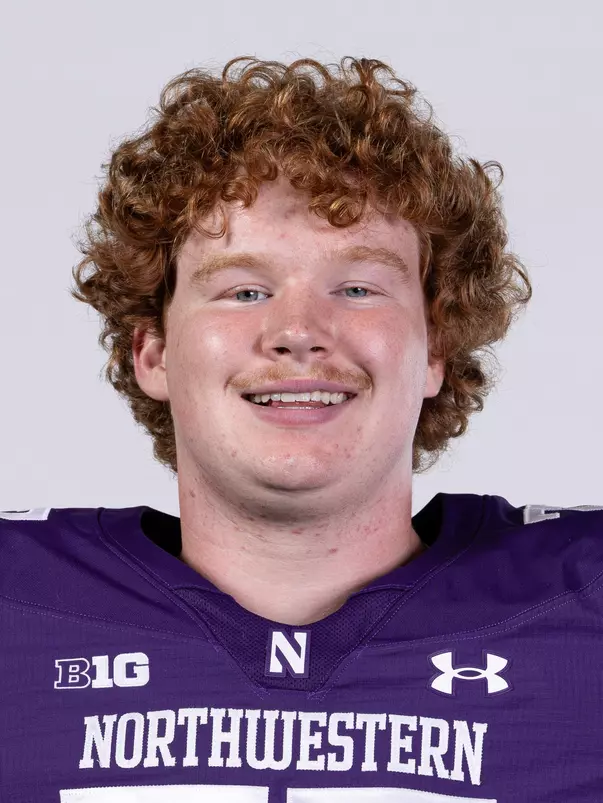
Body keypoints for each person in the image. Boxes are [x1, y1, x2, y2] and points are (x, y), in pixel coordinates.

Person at [1, 55, 601, 803]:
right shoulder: (16, 608)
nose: (296, 332)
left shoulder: (581, 606)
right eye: (243, 289)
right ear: (151, 352)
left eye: (356, 286)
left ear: (434, 352)